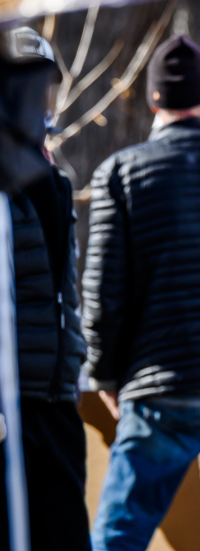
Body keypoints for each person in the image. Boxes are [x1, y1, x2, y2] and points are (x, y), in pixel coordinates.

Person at [82, 35, 200, 551]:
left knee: (119, 532)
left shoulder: (121, 172)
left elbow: (103, 292)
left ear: (154, 101)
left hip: (155, 383)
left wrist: (107, 375)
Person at [0, 28, 90, 551]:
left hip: (55, 397)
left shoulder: (54, 179)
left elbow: (64, 292)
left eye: (45, 89)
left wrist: (73, 364)